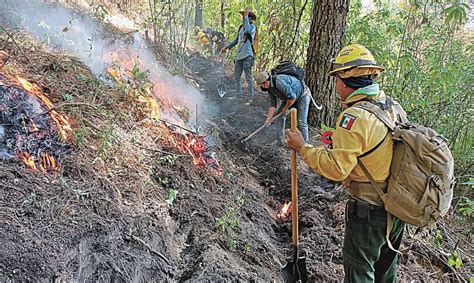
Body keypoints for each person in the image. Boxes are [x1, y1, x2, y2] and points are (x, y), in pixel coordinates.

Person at [286, 44, 408, 282]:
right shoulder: (391, 106)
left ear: (345, 79)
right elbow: (379, 148)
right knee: (385, 271)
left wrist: (302, 147)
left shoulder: (354, 117)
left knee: (359, 272)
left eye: (336, 79)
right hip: (396, 206)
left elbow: (336, 169)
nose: (335, 86)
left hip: (369, 212)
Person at [255, 70, 311, 143]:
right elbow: (273, 105)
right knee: (280, 115)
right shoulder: (270, 88)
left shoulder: (279, 82)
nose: (262, 88)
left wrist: (285, 108)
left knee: (301, 122)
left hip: (303, 95)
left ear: (265, 82)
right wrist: (268, 119)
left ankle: (306, 145)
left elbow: (292, 98)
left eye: (261, 86)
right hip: (289, 97)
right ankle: (280, 140)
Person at [221, 8, 257, 105]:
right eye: (244, 16)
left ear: (250, 18)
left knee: (248, 77)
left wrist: (246, 17)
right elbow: (236, 40)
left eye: (246, 16)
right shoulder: (241, 27)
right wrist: (227, 48)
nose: (244, 18)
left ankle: (250, 98)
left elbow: (248, 31)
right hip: (239, 56)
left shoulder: (252, 27)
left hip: (247, 55)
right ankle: (238, 96)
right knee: (237, 77)